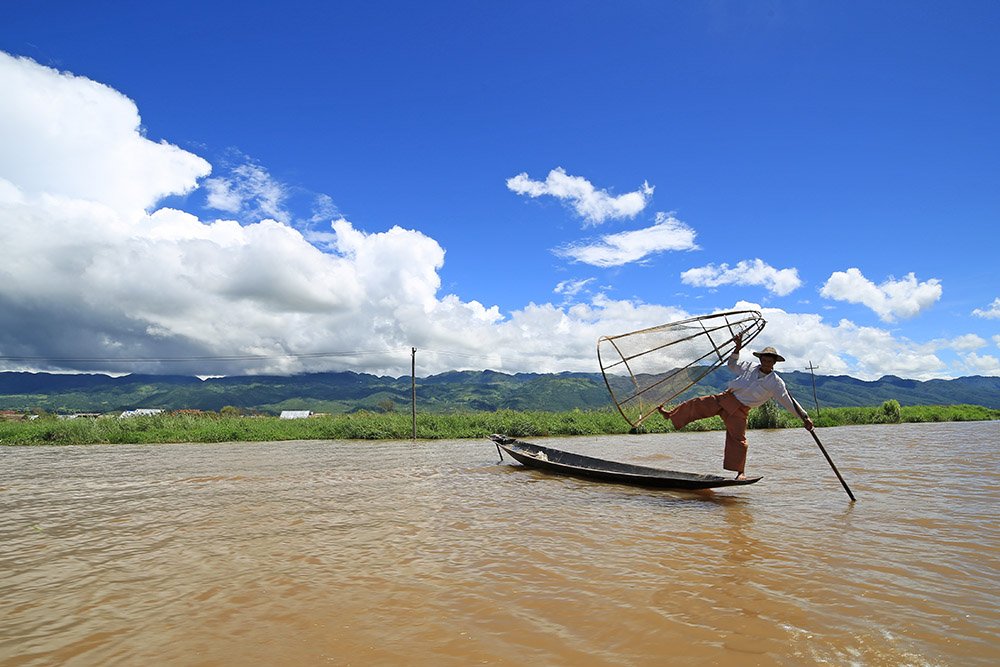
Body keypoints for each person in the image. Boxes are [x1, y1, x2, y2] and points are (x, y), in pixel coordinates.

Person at [657, 334, 814, 479]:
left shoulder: (776, 382)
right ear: (761, 360)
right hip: (726, 398)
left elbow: (787, 401)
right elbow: (732, 364)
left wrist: (804, 417)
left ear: (774, 363)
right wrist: (737, 347)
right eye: (764, 360)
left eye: (769, 361)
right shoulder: (749, 367)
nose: (766, 363)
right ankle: (670, 414)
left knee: (738, 440)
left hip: (740, 409)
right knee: (697, 404)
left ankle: (740, 472)